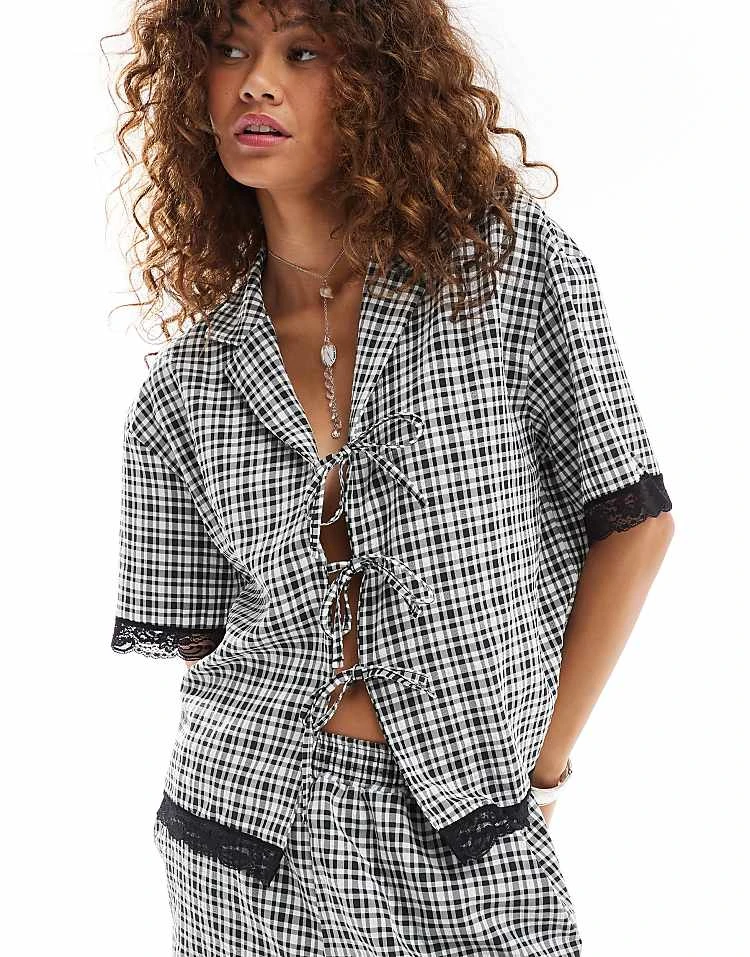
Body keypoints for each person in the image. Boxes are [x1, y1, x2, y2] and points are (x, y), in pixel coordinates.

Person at [106, 1, 675, 954]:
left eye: (302, 52)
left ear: (378, 82)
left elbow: (635, 523)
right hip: (240, 842)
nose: (256, 81)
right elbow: (205, 646)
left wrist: (539, 770)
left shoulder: (502, 273)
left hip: (465, 823)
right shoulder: (185, 386)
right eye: (230, 49)